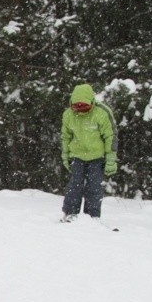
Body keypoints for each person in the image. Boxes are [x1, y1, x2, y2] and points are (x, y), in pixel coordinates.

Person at [60, 84, 118, 222]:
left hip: (97, 157)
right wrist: (65, 156)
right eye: (76, 106)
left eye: (84, 106)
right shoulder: (68, 115)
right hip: (76, 156)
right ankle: (70, 213)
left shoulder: (102, 113)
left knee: (94, 188)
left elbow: (111, 137)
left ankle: (92, 217)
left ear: (92, 102)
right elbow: (65, 137)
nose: (80, 110)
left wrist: (111, 160)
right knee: (74, 186)